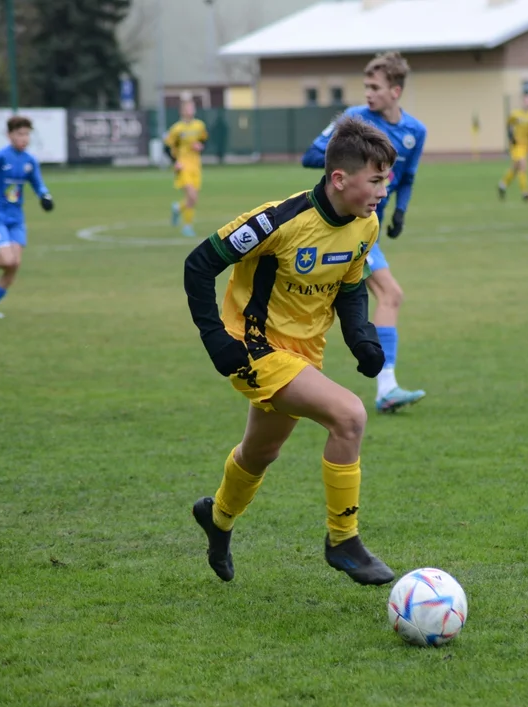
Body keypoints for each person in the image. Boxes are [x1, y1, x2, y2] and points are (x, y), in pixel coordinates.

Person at [184, 116, 395, 586]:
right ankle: (343, 539)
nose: (384, 189)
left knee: (261, 452)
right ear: (340, 179)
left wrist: (360, 334)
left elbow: (351, 285)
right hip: (253, 348)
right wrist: (215, 337)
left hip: (303, 354)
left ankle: (217, 519)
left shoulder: (366, 224)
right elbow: (198, 265)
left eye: (387, 179)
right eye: (376, 179)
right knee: (350, 415)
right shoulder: (278, 221)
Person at [300, 51, 426, 414]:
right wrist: (351, 154)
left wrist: (399, 212)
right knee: (390, 293)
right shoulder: (355, 119)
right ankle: (385, 386)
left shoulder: (415, 132)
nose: (368, 93)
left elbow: (411, 175)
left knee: (356, 299)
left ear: (396, 91)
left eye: (375, 87)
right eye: (366, 86)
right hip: (347, 223)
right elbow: (312, 155)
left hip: (370, 227)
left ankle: (299, 367)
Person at [0, 116, 54, 319]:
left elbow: (38, 183)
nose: (24, 138)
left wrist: (45, 196)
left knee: (14, 264)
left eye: (27, 134)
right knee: (6, 260)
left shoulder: (29, 161)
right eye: (20, 134)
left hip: (16, 218)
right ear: (9, 135)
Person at [164, 96, 208, 237]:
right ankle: (187, 226)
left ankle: (177, 208)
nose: (190, 110)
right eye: (187, 108)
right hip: (183, 166)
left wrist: (200, 146)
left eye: (192, 107)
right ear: (182, 111)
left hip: (196, 166)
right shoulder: (176, 129)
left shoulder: (199, 126)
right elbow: (167, 147)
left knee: (193, 199)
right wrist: (175, 162)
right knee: (191, 196)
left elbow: (203, 141)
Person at [498, 91, 528, 202]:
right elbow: (508, 124)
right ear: (522, 102)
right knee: (523, 164)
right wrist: (510, 136)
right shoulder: (515, 114)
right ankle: (525, 193)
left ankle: (502, 185)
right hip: (517, 145)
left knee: (516, 167)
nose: (527, 103)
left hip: (527, 145)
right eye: (525, 100)